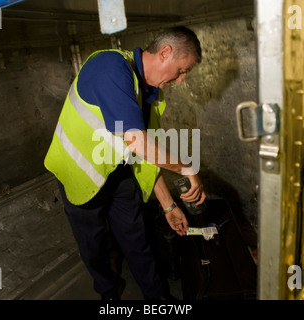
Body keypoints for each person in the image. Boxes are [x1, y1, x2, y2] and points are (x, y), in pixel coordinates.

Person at [44, 26, 206, 300]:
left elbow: (147, 153)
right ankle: (109, 294)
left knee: (137, 242)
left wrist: (168, 206)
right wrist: (187, 168)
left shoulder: (153, 94)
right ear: (165, 53)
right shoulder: (109, 66)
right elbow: (139, 143)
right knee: (93, 247)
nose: (181, 81)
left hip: (119, 173)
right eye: (182, 70)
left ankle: (160, 301)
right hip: (80, 173)